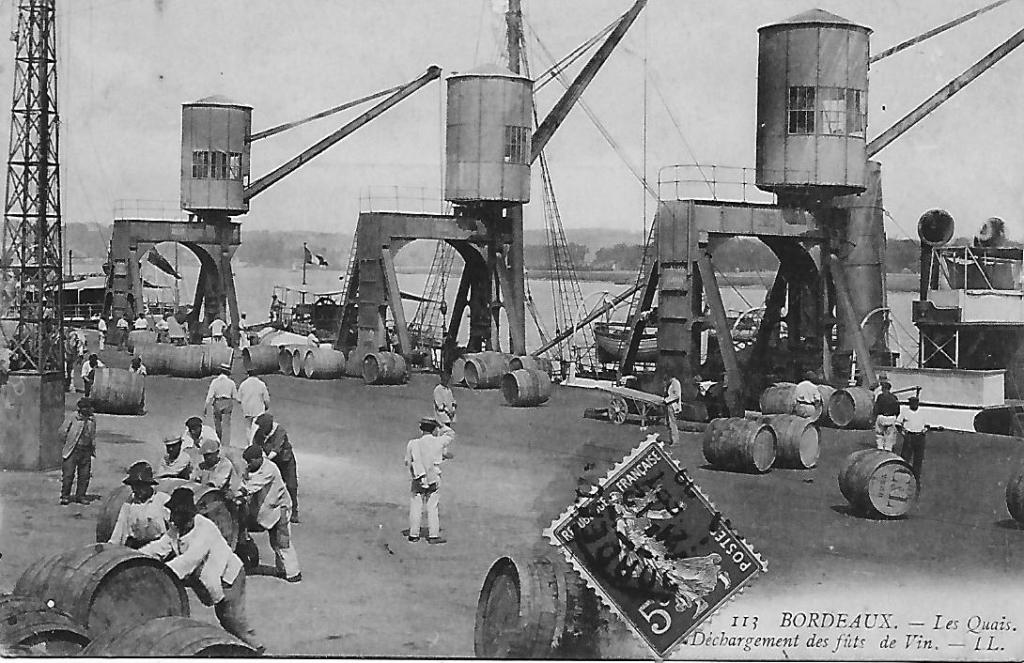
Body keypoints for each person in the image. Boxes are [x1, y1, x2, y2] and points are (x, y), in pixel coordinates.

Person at [139, 487, 264, 653]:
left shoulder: (205, 529)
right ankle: (245, 647)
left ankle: (257, 649)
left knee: (233, 620)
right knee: (226, 619)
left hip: (229, 576)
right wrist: (137, 556)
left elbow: (190, 559)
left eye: (175, 513)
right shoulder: (177, 528)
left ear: (186, 515)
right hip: (211, 577)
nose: (171, 517)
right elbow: (160, 546)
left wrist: (163, 573)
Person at [241, 444, 302, 582]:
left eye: (250, 461)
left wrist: (238, 492)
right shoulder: (252, 469)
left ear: (258, 458)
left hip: (280, 509)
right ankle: (282, 570)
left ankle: (294, 573)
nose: (248, 464)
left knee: (282, 542)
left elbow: (251, 487)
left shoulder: (269, 469)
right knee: (274, 542)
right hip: (268, 511)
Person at [404, 417, 455, 544]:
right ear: (434, 429)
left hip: (418, 477)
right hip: (434, 477)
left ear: (421, 428)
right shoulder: (438, 442)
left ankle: (413, 534)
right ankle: (433, 535)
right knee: (433, 506)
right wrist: (441, 424)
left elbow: (407, 462)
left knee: (416, 506)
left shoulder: (413, 443)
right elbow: (450, 434)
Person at [108, 461, 170, 548]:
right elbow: (119, 530)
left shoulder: (162, 500)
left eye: (140, 486)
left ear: (148, 484)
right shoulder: (128, 504)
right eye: (133, 486)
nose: (136, 490)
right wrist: (111, 547)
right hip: (136, 546)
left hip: (159, 546)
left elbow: (174, 530)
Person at [252, 412, 299, 523]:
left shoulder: (280, 431)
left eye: (262, 427)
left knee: (291, 485)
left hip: (286, 462)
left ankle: (294, 511)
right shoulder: (259, 434)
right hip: (272, 461)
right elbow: (256, 447)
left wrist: (264, 461)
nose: (260, 429)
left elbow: (275, 450)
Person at [59, 399, 97, 505]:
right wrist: (67, 444)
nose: (88, 410)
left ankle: (81, 495)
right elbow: (62, 432)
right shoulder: (73, 417)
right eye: (85, 408)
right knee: (68, 474)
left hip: (86, 450)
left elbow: (93, 434)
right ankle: (65, 496)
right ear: (80, 409)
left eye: (89, 408)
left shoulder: (92, 419)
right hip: (73, 449)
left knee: (84, 475)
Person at [895, 396, 929, 484]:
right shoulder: (905, 412)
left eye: (915, 403)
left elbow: (927, 425)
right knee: (905, 456)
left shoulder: (922, 412)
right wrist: (902, 432)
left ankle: (916, 477)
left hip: (920, 437)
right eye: (912, 403)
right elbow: (898, 423)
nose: (914, 405)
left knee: (918, 458)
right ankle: (902, 475)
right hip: (909, 436)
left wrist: (925, 430)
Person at [205, 363, 238, 447]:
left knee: (217, 423)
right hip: (227, 402)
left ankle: (219, 440)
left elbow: (210, 395)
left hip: (217, 402)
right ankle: (226, 444)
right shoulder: (231, 382)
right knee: (226, 424)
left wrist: (205, 406)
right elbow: (235, 396)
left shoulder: (214, 382)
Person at [238, 369, 271, 434]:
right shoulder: (261, 384)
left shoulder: (243, 384)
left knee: (248, 427)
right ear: (257, 375)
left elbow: (239, 399)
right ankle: (256, 441)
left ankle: (249, 442)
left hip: (247, 409)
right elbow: (266, 399)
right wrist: (266, 407)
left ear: (248, 375)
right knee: (257, 427)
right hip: (258, 409)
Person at [873, 381, 901, 451]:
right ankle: (888, 448)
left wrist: (874, 416)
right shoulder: (894, 397)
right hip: (891, 417)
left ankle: (880, 447)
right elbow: (898, 410)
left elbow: (876, 408)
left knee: (879, 434)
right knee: (890, 435)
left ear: (883, 388)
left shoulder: (880, 397)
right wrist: (895, 417)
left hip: (882, 416)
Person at [662, 374, 682, 445]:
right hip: (669, 405)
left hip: (673, 405)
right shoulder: (671, 383)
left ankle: (675, 441)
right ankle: (672, 439)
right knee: (669, 423)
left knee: (672, 423)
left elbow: (676, 396)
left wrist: (666, 400)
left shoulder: (675, 383)